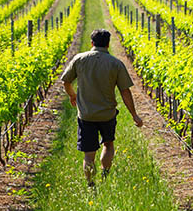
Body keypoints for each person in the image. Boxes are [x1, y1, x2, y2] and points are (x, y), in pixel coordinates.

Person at [61, 29, 143, 187]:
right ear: (107, 44)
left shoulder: (79, 59)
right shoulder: (115, 63)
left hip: (86, 115)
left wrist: (73, 96)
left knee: (88, 154)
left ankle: (90, 184)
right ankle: (105, 175)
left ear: (91, 43)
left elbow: (66, 81)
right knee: (108, 144)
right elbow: (125, 92)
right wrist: (134, 115)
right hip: (107, 114)